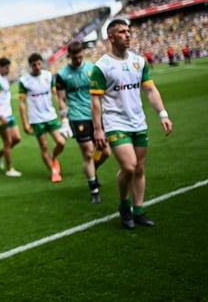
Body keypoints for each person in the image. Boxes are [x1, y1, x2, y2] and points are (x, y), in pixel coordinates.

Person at [90, 18, 173, 229]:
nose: (127, 35)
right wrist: (98, 129)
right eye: (122, 32)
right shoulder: (102, 66)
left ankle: (139, 210)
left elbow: (150, 90)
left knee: (139, 169)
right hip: (115, 122)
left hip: (138, 121)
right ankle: (124, 204)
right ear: (111, 37)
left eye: (128, 31)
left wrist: (162, 113)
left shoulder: (139, 61)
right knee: (129, 166)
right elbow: (96, 100)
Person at [56, 41, 111, 203]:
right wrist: (64, 119)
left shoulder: (91, 69)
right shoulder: (62, 74)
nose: (79, 60)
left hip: (95, 114)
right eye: (75, 58)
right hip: (77, 115)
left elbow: (101, 91)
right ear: (69, 56)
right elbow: (60, 98)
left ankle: (91, 169)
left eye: (81, 56)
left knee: (105, 152)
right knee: (88, 151)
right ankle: (94, 189)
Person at [18, 53, 66, 182]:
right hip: (36, 118)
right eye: (34, 65)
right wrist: (25, 123)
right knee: (44, 146)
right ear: (30, 65)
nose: (37, 67)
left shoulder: (48, 76)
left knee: (61, 142)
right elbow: (21, 103)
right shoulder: (24, 81)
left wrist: (63, 111)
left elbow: (56, 94)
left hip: (50, 115)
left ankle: (53, 157)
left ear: (42, 63)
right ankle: (54, 171)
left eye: (39, 64)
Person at [0, 57, 22, 177]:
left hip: (8, 114)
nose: (8, 69)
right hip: (0, 116)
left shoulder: (3, 79)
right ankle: (9, 169)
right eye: (7, 67)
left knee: (17, 138)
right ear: (1, 67)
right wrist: (0, 114)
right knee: (7, 142)